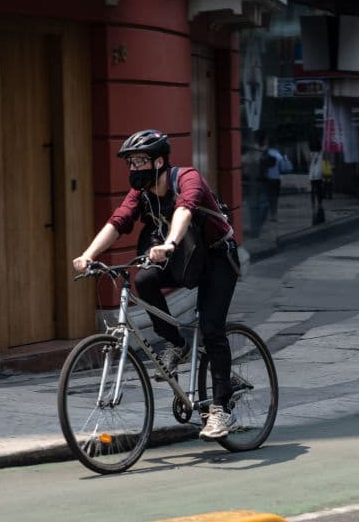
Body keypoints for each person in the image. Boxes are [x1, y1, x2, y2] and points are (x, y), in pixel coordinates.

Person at [72, 129, 241, 440]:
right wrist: (88, 255)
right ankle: (175, 344)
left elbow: (184, 210)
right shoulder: (143, 193)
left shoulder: (186, 178)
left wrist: (169, 243)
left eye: (140, 161)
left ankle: (221, 409)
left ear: (159, 161)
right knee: (145, 278)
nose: (134, 169)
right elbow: (118, 221)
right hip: (186, 258)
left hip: (217, 258)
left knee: (212, 328)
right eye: (131, 163)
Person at [262, 133, 291, 223]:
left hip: (266, 179)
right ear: (276, 144)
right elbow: (282, 169)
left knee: (266, 197)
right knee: (274, 198)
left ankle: (265, 216)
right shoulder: (278, 156)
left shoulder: (264, 154)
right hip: (275, 179)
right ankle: (273, 215)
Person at [307, 139, 325, 223]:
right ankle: (320, 204)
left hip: (312, 175)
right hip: (318, 174)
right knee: (319, 190)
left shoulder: (311, 154)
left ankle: (313, 205)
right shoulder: (321, 154)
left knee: (313, 190)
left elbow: (308, 163)